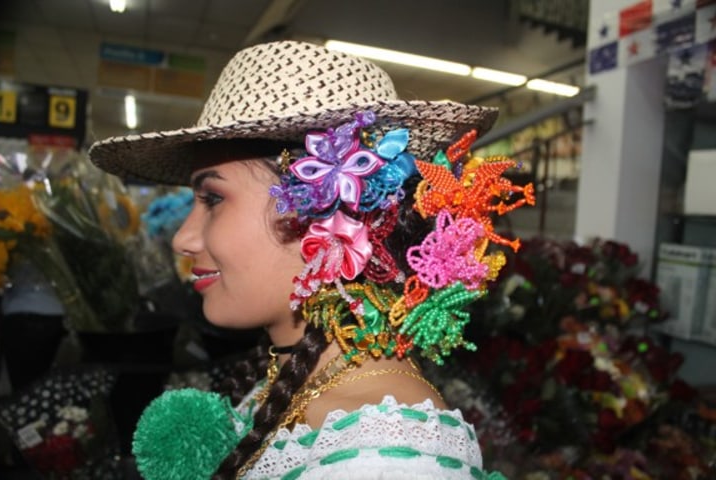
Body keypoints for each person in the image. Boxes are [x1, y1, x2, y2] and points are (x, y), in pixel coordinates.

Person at [89, 40, 533, 480]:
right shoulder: (298, 388)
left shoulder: (383, 461)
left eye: (212, 198)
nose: (183, 239)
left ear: (327, 208)